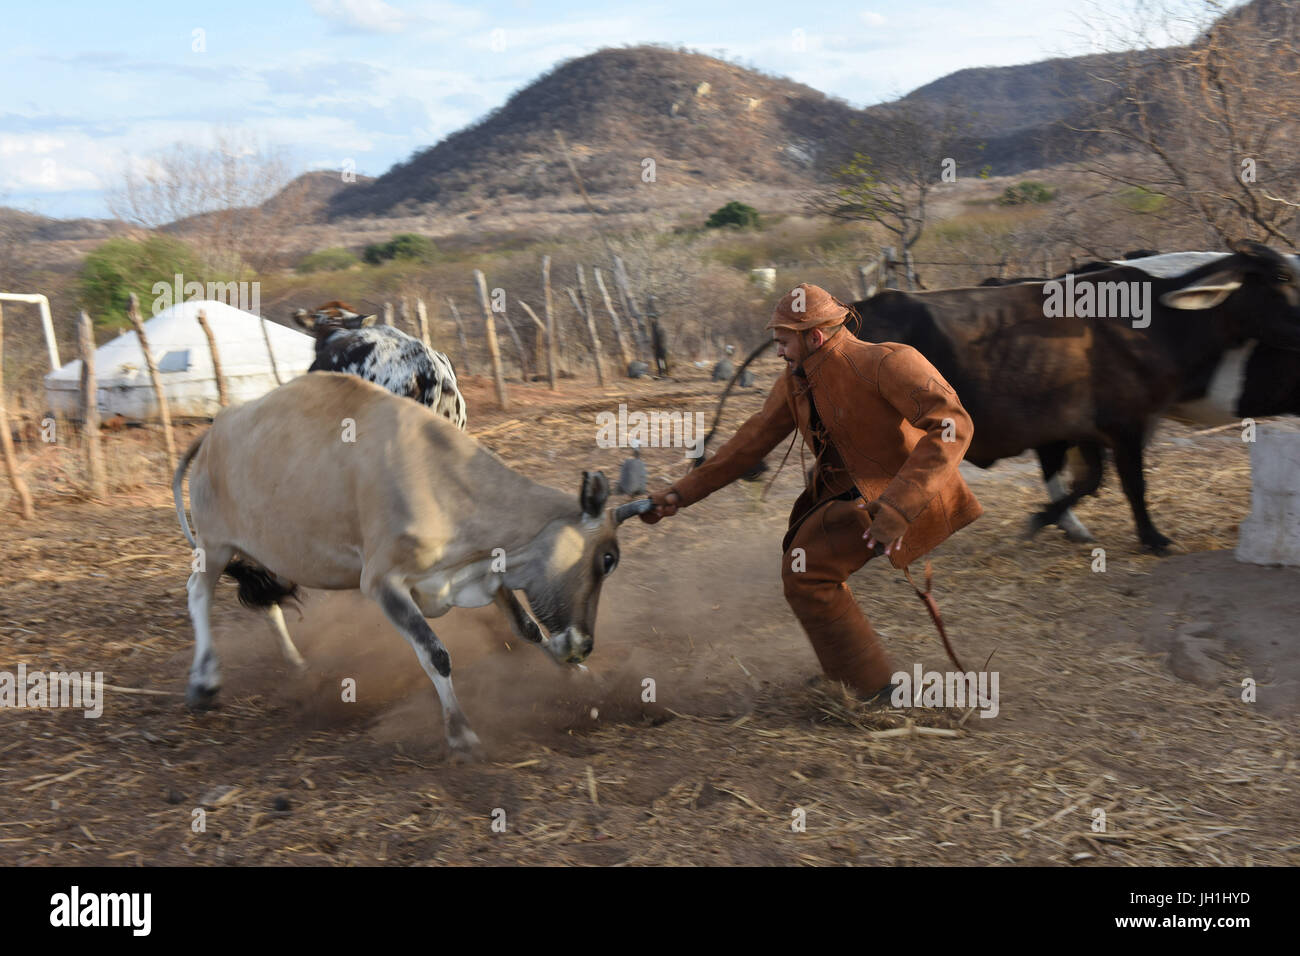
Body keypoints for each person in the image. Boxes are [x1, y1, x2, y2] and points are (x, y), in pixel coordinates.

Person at [642, 283, 983, 700]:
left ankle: (875, 692)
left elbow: (953, 425)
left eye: (783, 341)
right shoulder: (796, 380)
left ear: (814, 336)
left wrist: (898, 508)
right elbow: (751, 442)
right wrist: (681, 493)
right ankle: (853, 678)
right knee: (803, 571)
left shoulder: (890, 362)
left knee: (809, 572)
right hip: (847, 495)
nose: (779, 352)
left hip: (898, 497)